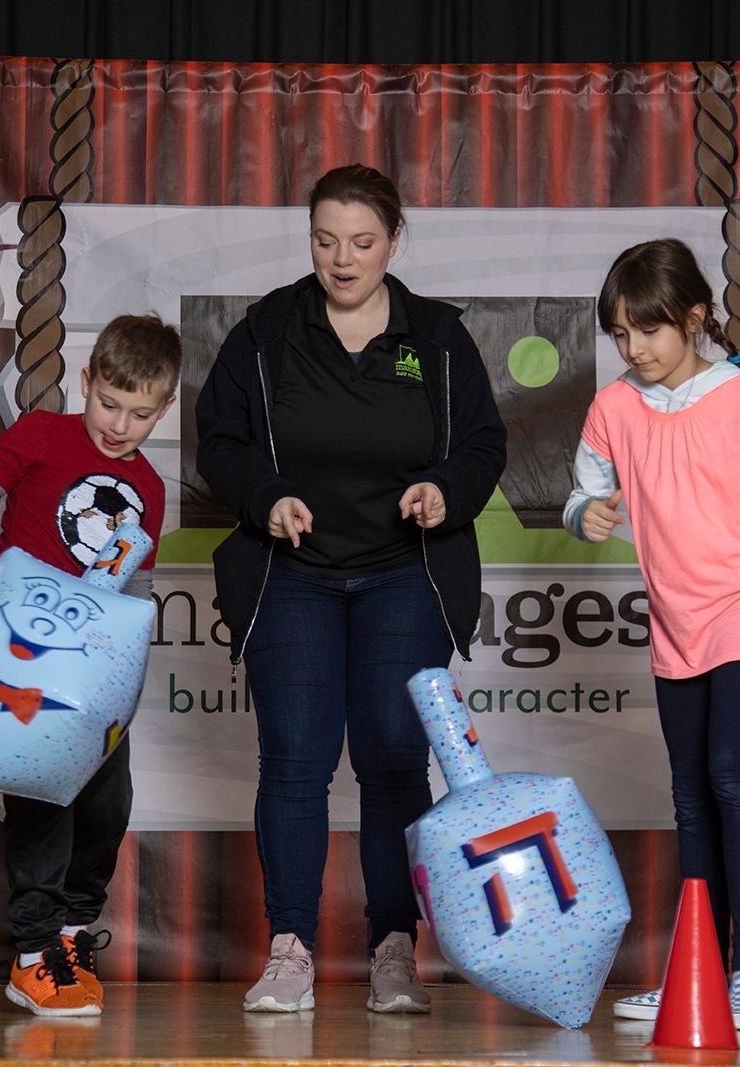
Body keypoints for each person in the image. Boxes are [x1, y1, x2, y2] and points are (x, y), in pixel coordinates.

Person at [195, 163, 506, 1014]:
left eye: (362, 242)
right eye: (325, 240)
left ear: (394, 242)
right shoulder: (266, 332)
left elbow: (482, 444)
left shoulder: (437, 337)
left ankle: (393, 950)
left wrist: (445, 486)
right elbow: (217, 441)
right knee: (294, 761)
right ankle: (289, 948)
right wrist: (263, 497)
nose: (342, 258)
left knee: (394, 760)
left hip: (405, 574)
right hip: (292, 576)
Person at [563, 239, 740, 1030]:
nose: (634, 349)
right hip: (672, 629)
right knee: (689, 796)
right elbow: (582, 492)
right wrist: (585, 513)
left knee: (735, 776)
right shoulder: (613, 407)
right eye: (620, 335)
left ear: (695, 319)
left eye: (650, 330)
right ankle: (695, 969)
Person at [0, 314, 179, 1016]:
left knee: (106, 804)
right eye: (109, 403)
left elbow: (138, 592)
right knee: (42, 802)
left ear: (164, 406)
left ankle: (68, 936)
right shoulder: (42, 433)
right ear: (86, 381)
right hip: (23, 656)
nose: (119, 424)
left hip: (93, 681)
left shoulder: (150, 488)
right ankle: (32, 954)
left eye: (140, 412)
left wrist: (125, 683)